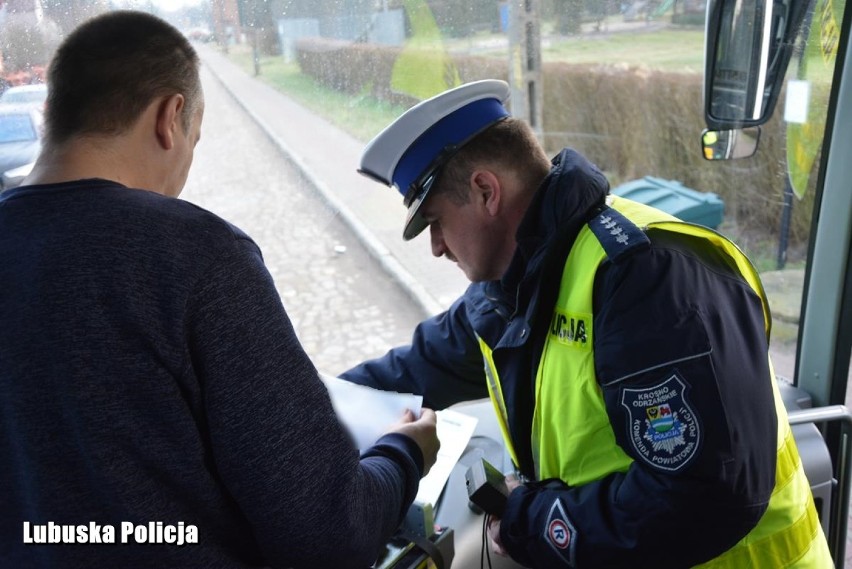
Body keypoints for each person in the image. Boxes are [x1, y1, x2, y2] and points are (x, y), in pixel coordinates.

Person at [0, 11, 439, 569]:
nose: (184, 167)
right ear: (170, 117)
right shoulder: (196, 256)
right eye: (194, 141)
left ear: (54, 112)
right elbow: (328, 533)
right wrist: (404, 454)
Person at [341, 79, 832, 567]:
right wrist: (307, 408)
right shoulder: (508, 289)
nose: (437, 247)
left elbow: (701, 498)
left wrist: (527, 519)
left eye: (436, 222)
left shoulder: (648, 280)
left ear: (486, 191)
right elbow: (417, 367)